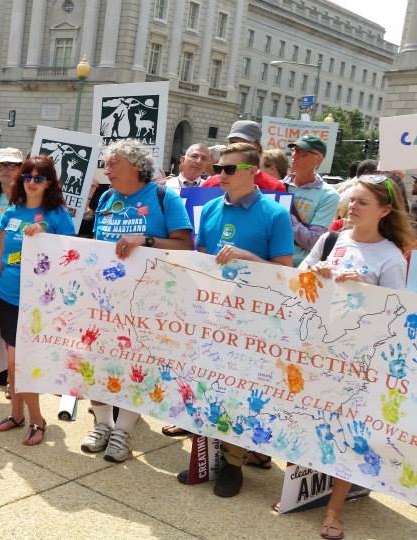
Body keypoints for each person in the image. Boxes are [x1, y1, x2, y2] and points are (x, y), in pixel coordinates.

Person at [177, 143, 294, 497]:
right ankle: (207, 457)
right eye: (219, 168)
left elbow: (286, 272)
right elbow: (200, 258)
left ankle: (233, 463)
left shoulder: (274, 214)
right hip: (212, 315)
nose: (219, 175)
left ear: (250, 171)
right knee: (209, 387)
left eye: (228, 169)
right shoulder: (211, 207)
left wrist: (247, 258)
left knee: (241, 393)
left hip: (253, 322)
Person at [300, 175, 413, 540]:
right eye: (352, 200)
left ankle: (335, 511)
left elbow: (397, 316)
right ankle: (299, 492)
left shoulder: (391, 257)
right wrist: (313, 274)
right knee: (314, 423)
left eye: (363, 202)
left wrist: (366, 291)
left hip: (360, 359)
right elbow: (297, 277)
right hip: (320, 348)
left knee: (349, 433)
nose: (353, 207)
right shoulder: (331, 239)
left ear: (383, 211)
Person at [85, 139, 194, 462]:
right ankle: (102, 425)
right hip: (104, 299)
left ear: (135, 166)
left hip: (146, 301)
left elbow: (185, 245)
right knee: (96, 362)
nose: (107, 169)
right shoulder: (106, 197)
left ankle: (123, 431)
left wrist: (143, 241)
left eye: (113, 163)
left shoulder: (164, 197)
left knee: (136, 367)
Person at [0, 155, 76, 445]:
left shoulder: (58, 214)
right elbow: (0, 255)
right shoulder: (11, 212)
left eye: (39, 177)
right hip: (7, 296)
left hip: (40, 301)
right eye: (27, 176)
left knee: (21, 363)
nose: (32, 182)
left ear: (49, 182)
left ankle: (37, 419)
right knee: (13, 362)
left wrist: (45, 233)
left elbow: (71, 255)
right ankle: (16, 414)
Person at [283, 134, 340, 266]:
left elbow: (314, 241)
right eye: (294, 150)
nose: (294, 155)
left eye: (302, 153)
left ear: (318, 159)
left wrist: (284, 216)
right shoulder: (278, 186)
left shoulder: (329, 195)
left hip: (299, 268)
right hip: (268, 261)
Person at [201, 121, 286, 192]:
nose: (237, 147)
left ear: (258, 149)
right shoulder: (210, 184)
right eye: (233, 143)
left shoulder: (275, 188)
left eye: (244, 143)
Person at [0, 147, 24, 225]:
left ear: (21, 169)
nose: (5, 170)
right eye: (1, 166)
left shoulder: (28, 197)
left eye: (12, 166)